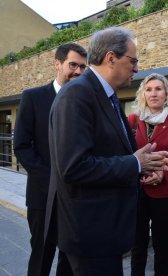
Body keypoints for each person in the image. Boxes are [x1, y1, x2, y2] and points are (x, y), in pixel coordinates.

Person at [46, 27, 168, 275]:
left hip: (104, 232)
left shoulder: (107, 96)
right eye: (133, 61)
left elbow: (111, 154)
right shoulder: (77, 95)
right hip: (91, 235)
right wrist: (135, 164)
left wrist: (143, 170)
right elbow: (74, 167)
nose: (136, 69)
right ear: (111, 58)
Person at [13, 43, 87, 276]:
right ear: (57, 63)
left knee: (69, 257)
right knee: (41, 255)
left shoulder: (85, 102)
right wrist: (53, 183)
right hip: (42, 196)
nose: (78, 71)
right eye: (73, 65)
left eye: (83, 67)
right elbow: (22, 146)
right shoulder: (33, 97)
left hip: (75, 198)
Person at [130, 73, 168, 275]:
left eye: (158, 89)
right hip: (137, 192)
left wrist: (164, 175)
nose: (153, 93)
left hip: (165, 193)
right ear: (143, 94)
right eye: (149, 89)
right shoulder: (133, 121)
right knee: (138, 243)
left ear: (166, 94)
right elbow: (126, 154)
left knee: (161, 242)